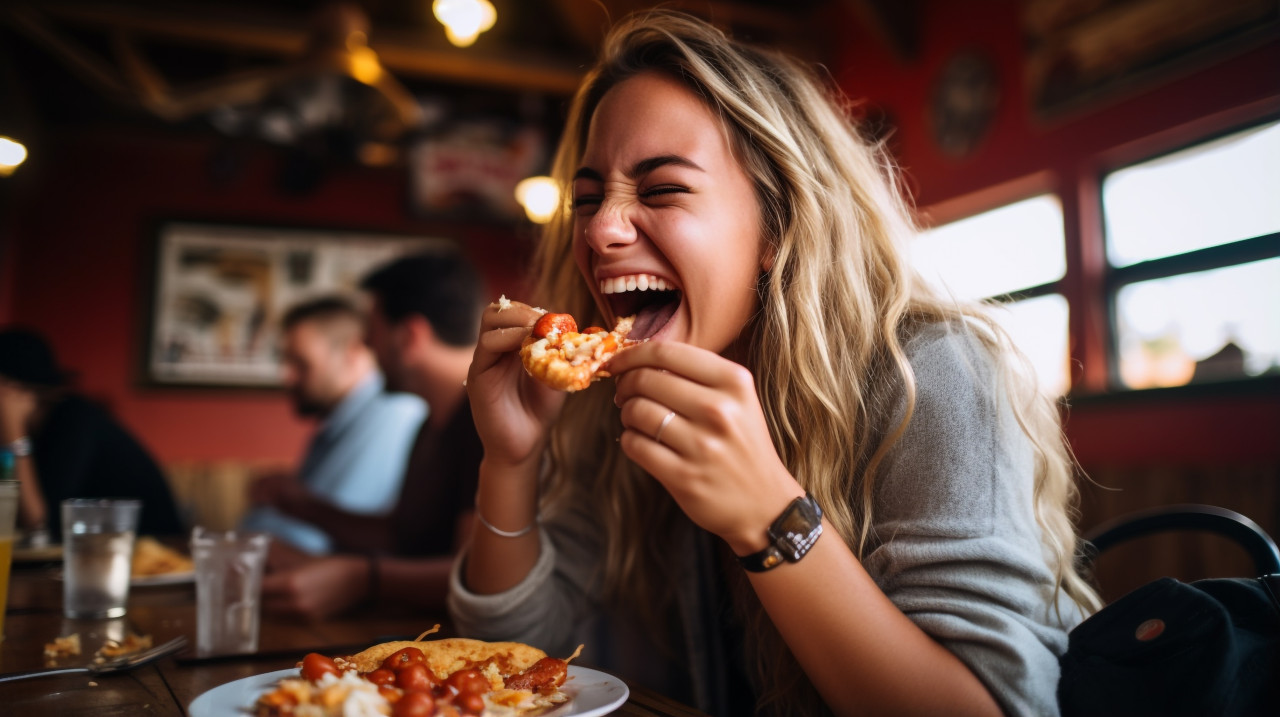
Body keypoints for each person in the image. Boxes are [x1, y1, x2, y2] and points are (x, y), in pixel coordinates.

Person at [450, 11, 1102, 717]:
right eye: (586, 198)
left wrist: (771, 519)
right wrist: (510, 463)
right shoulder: (617, 405)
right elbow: (505, 655)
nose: (600, 228)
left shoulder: (933, 374)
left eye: (661, 188)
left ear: (778, 224)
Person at [259, 249, 486, 620]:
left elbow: (476, 575)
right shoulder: (431, 421)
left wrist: (361, 579)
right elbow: (403, 537)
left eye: (371, 334)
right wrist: (304, 508)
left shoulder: (486, 420)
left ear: (410, 337)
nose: (366, 348)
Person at [241, 295, 426, 555]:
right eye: (285, 360)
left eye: (301, 364)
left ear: (353, 353)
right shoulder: (333, 424)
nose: (286, 376)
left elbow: (312, 542)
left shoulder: (392, 413)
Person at [0, 326, 184, 538]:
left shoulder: (73, 418)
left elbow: (38, 524)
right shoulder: (41, 430)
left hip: (150, 553)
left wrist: (12, 431)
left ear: (16, 391)